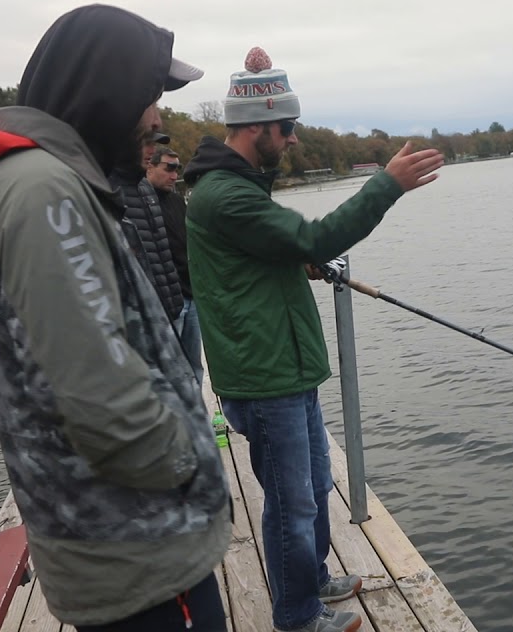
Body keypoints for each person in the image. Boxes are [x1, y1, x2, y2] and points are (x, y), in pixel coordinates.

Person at [0, 4, 230, 632]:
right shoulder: (42, 190)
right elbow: (103, 400)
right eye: (151, 96)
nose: (156, 117)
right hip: (138, 553)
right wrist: (188, 463)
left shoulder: (43, 181)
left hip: (134, 547)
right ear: (108, 91)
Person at [183, 47, 443, 632]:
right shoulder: (226, 195)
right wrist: (387, 185)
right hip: (264, 373)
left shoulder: (237, 185)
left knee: (315, 482)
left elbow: (270, 251)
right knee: (290, 500)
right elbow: (313, 237)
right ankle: (296, 613)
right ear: (257, 128)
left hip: (285, 364)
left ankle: (313, 577)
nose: (295, 138)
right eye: (288, 127)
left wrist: (295, 261)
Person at [110, 127, 185, 329]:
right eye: (146, 143)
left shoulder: (147, 189)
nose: (152, 150)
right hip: (146, 315)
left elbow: (164, 252)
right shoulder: (110, 189)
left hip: (175, 305)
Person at [146, 145, 203, 382]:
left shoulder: (178, 202)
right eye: (168, 168)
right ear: (149, 167)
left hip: (192, 296)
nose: (174, 175)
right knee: (171, 369)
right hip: (167, 300)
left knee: (194, 365)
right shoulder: (140, 203)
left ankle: (196, 405)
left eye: (177, 169)